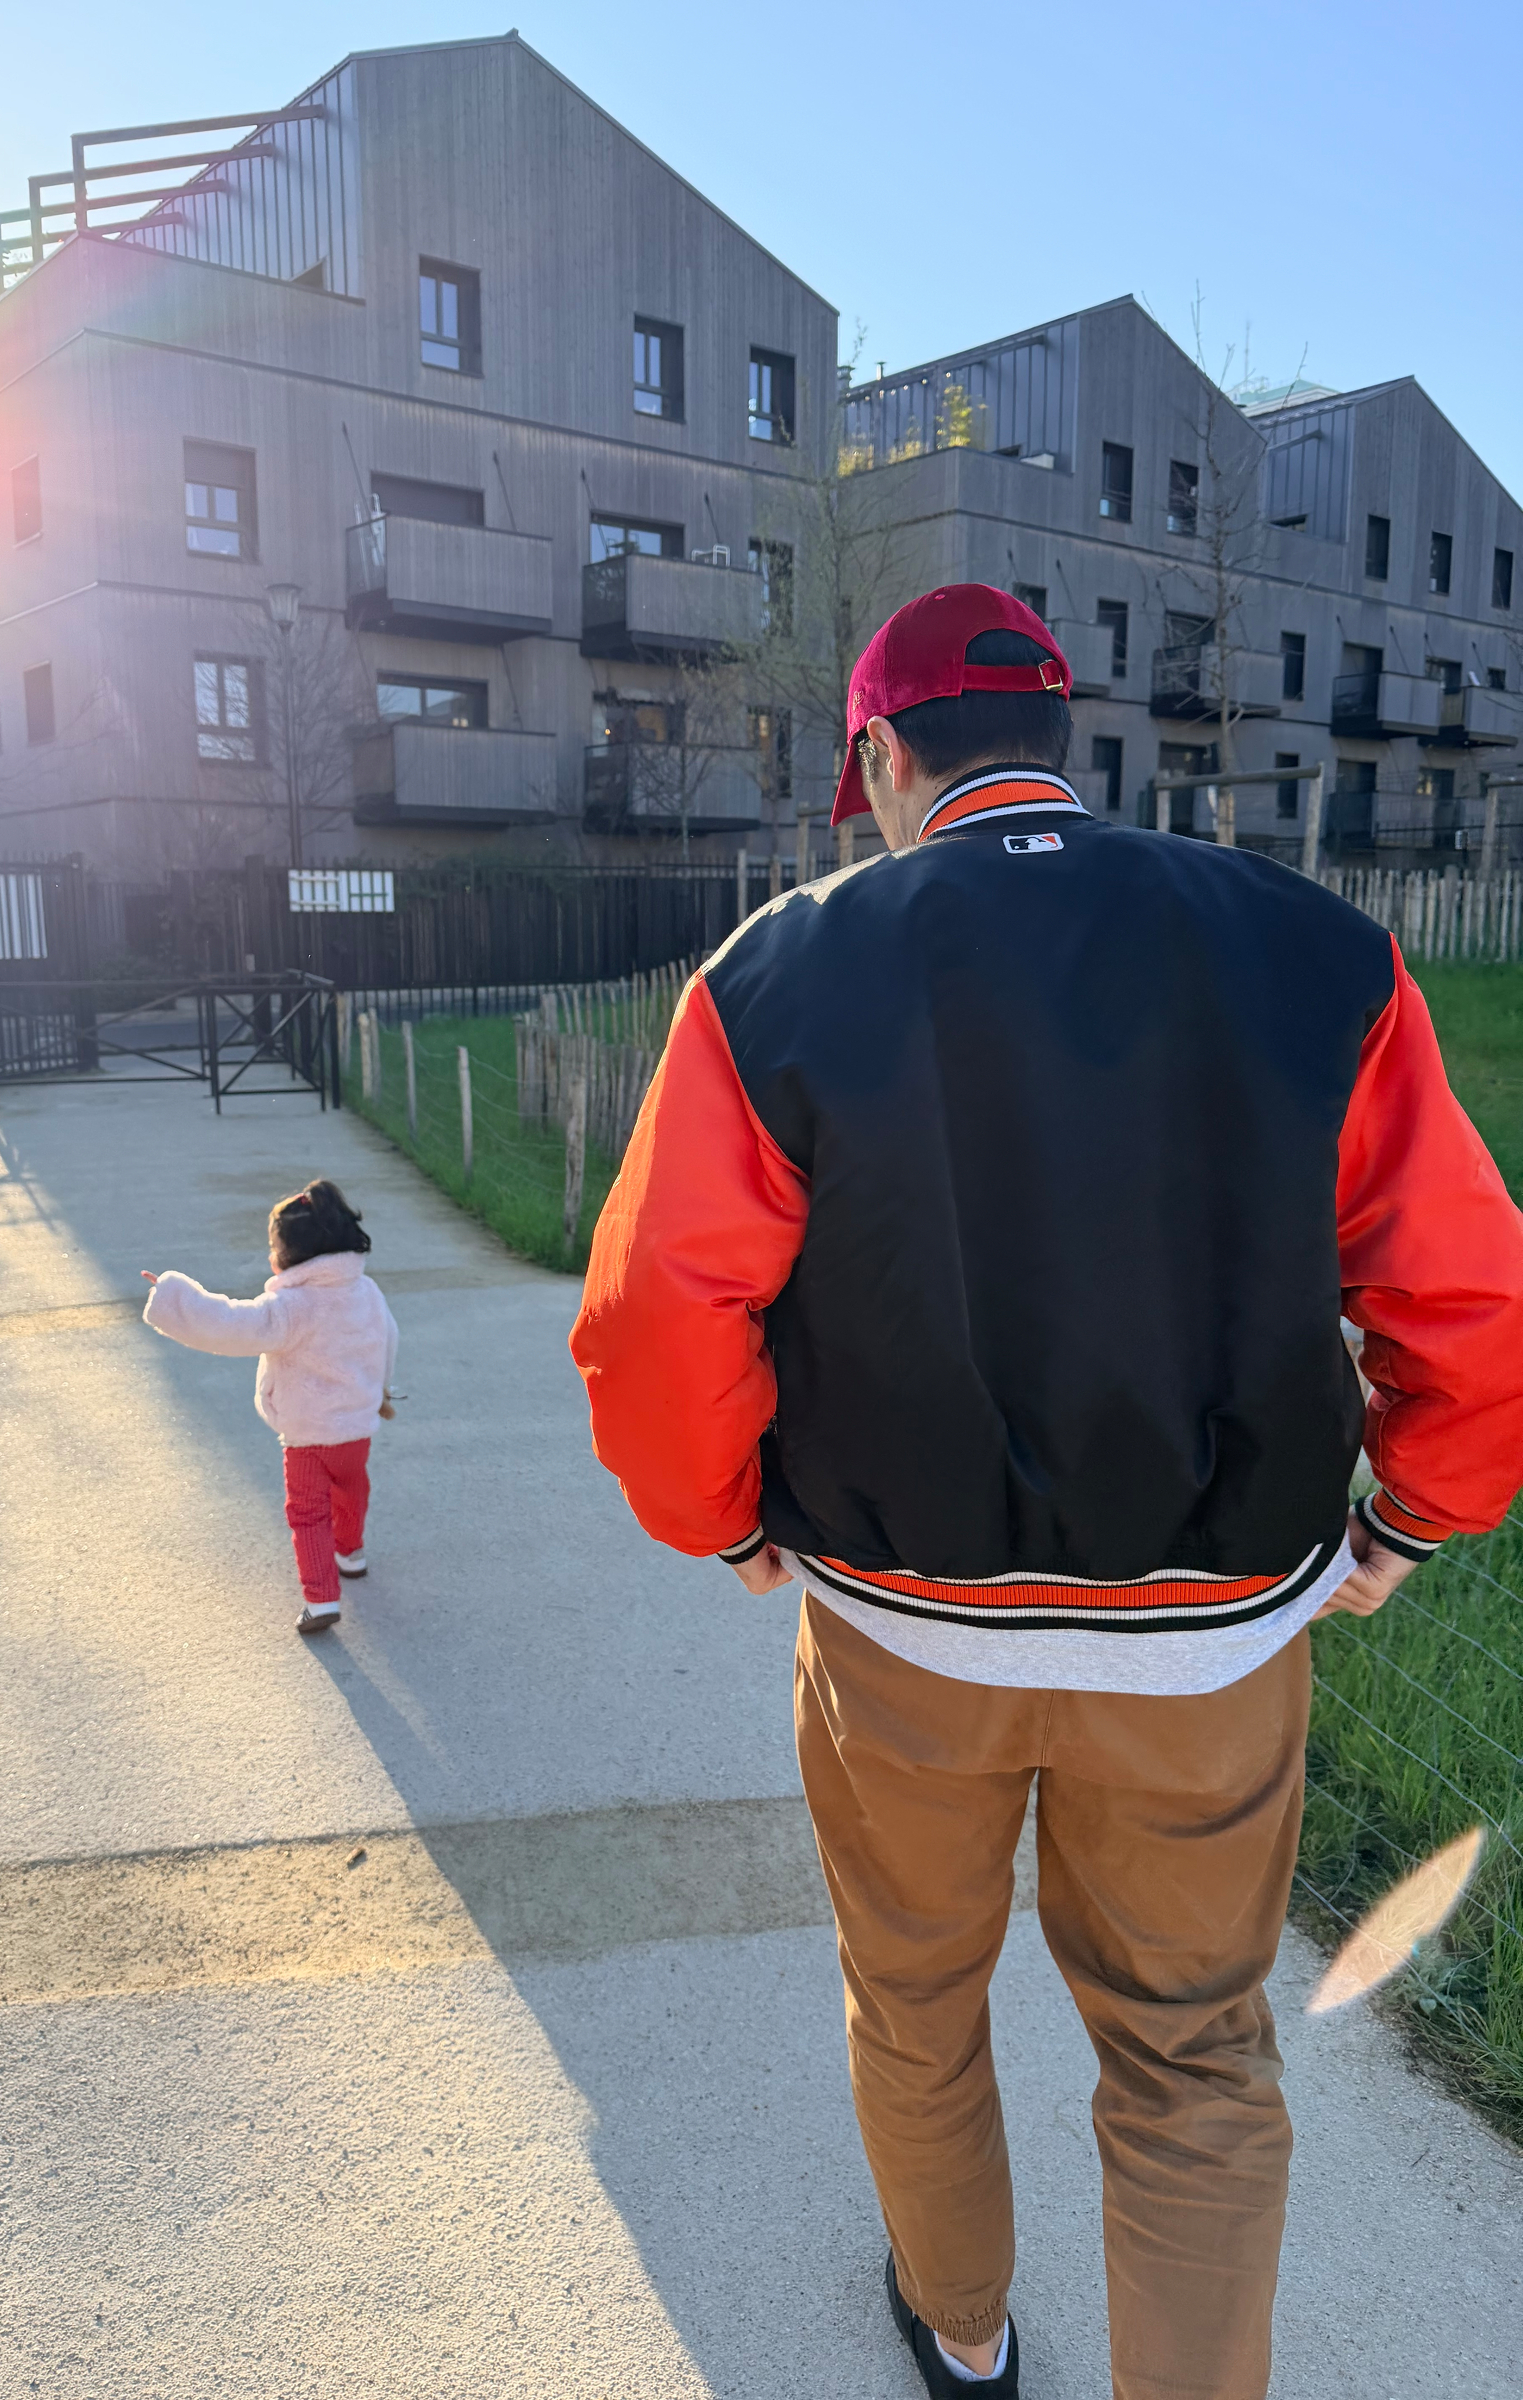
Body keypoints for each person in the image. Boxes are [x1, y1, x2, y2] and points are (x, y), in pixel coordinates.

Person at [570, 583, 1523, 2400]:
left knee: (916, 2003)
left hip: (903, 1631)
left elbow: (655, 1314)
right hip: (1209, 1644)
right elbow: (1471, 1292)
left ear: (880, 756)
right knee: (1195, 2056)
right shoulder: (1318, 952)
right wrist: (1415, 1515)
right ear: (1056, 737)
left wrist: (723, 1519)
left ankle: (963, 2331)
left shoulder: (775, 975)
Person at [142, 1177, 398, 1635]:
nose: (270, 1257)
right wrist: (381, 1390)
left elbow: (229, 1324)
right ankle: (351, 1553)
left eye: (274, 1248)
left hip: (306, 1436)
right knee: (351, 1489)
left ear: (295, 1257)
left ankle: (321, 1599)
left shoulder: (290, 1307)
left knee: (308, 1513)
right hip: (356, 1428)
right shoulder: (366, 1291)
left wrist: (172, 1295)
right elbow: (388, 1339)